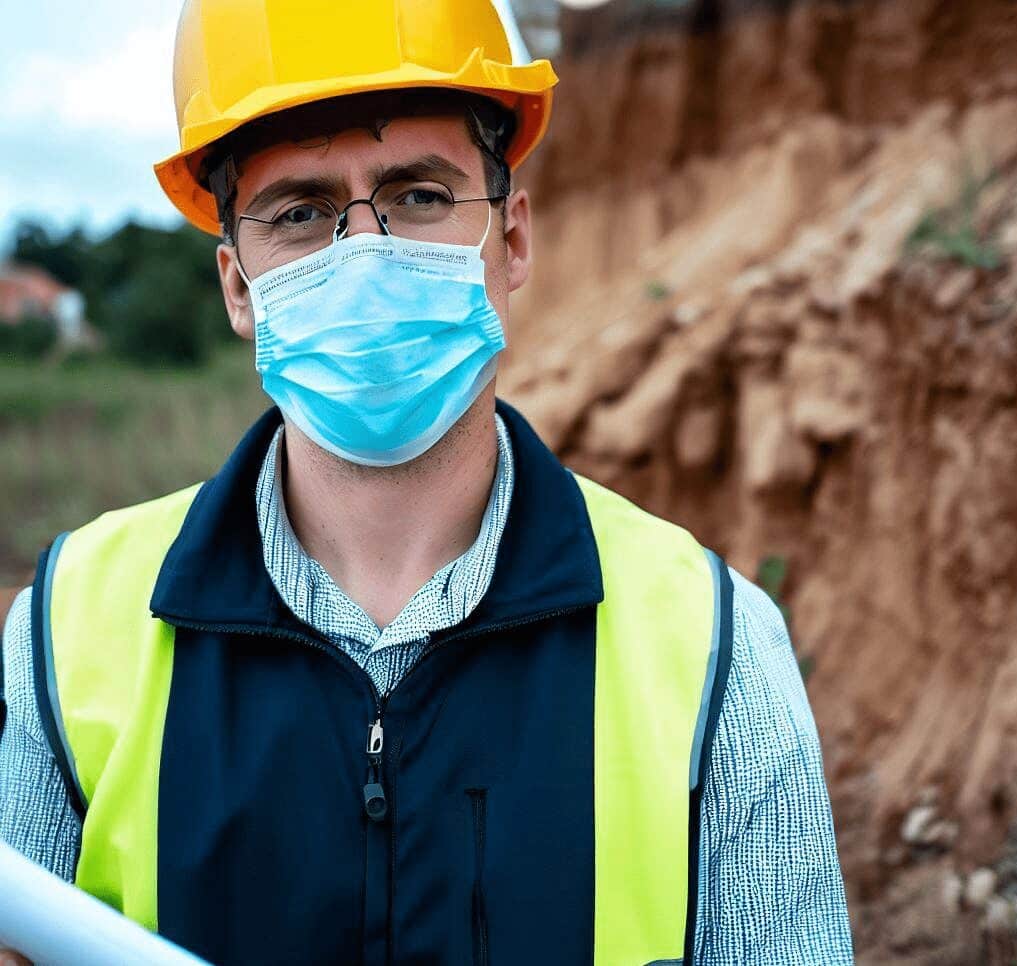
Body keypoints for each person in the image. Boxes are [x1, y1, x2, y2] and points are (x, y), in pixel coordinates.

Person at [0, 1, 854, 963]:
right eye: (300, 212)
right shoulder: (62, 635)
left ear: (513, 239)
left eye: (418, 196)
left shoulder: (713, 647)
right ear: (238, 283)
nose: (363, 253)